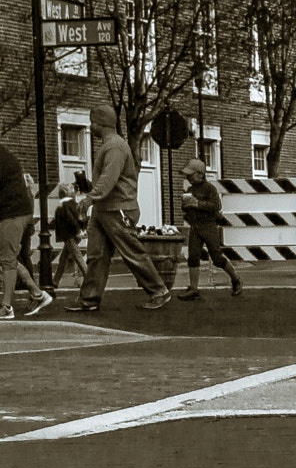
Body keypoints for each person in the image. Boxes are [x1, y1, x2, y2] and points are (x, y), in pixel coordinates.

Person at [68, 103, 170, 313]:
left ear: (100, 123)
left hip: (117, 209)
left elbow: (109, 179)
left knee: (132, 252)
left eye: (92, 123)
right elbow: (108, 180)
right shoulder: (111, 145)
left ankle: (159, 291)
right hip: (105, 209)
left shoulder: (114, 146)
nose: (91, 127)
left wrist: (88, 199)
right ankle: (89, 298)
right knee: (96, 255)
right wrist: (91, 190)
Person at [0, 137, 54, 319]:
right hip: (16, 212)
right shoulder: (6, 155)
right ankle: (37, 294)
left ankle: (6, 307)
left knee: (7, 259)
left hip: (11, 213)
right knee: (7, 257)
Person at [175, 157, 241, 300]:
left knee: (216, 257)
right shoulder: (190, 189)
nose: (188, 177)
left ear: (200, 174)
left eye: (190, 174)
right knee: (193, 257)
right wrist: (186, 205)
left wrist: (197, 203)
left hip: (209, 226)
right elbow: (187, 209)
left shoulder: (209, 188)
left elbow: (215, 206)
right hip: (195, 227)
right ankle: (193, 288)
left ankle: (236, 279)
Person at [48, 174, 89, 291]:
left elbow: (69, 218)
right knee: (64, 257)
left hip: (69, 234)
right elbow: (81, 216)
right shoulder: (73, 203)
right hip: (74, 233)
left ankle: (89, 276)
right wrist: (82, 229)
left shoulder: (64, 204)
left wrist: (77, 230)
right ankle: (55, 281)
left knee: (77, 255)